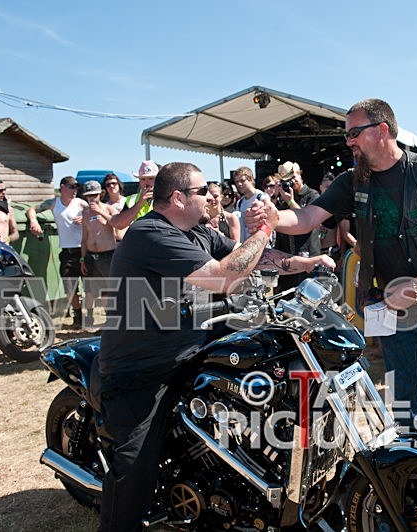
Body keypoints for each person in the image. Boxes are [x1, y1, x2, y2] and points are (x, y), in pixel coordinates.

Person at [246, 98, 417, 481]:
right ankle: (411, 480)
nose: (348, 141)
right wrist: (273, 216)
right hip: (392, 308)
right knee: (403, 402)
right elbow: (308, 217)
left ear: (382, 130)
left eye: (354, 133)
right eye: (347, 134)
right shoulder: (353, 181)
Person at [92, 162, 335, 531]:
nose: (210, 196)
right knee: (135, 468)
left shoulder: (198, 232)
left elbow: (253, 258)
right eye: (202, 190)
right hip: (142, 367)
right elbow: (225, 276)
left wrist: (305, 263)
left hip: (191, 352)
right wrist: (266, 227)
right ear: (178, 198)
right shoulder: (150, 233)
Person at [27, 175, 87, 328]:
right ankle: (78, 315)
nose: (75, 190)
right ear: (62, 187)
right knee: (70, 287)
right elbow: (32, 209)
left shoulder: (81, 203)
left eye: (76, 187)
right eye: (71, 187)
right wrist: (33, 221)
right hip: (67, 250)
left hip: (84, 248)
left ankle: (91, 315)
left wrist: (85, 219)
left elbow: (95, 214)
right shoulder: (54, 203)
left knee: (90, 286)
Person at [274, 161, 322, 292]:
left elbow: (307, 220)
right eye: (287, 180)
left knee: (309, 297)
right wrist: (275, 195)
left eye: (293, 177)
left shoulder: (312, 195)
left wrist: (290, 201)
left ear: (300, 175)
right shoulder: (283, 198)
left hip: (308, 256)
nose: (292, 182)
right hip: (287, 258)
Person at [79, 180, 119, 329]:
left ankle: (115, 320)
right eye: (88, 196)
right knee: (100, 291)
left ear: (100, 194)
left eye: (94, 195)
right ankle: (107, 319)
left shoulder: (109, 209)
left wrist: (100, 212)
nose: (91, 199)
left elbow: (117, 223)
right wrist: (82, 259)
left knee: (112, 289)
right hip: (91, 256)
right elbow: (84, 238)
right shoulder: (85, 213)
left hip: (108, 255)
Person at [110, 160, 158, 231]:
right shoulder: (131, 200)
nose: (147, 182)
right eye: (143, 179)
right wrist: (139, 203)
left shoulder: (166, 197)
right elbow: (119, 224)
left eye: (151, 178)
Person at [233, 166, 264, 242]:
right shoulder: (239, 203)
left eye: (242, 180)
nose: (239, 184)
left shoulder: (262, 198)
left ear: (251, 180)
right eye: (237, 181)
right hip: (245, 243)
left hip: (260, 242)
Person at [101, 173, 127, 241]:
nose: (111, 186)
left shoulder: (128, 201)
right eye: (108, 185)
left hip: (128, 239)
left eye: (114, 183)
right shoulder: (104, 206)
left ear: (119, 184)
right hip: (110, 242)